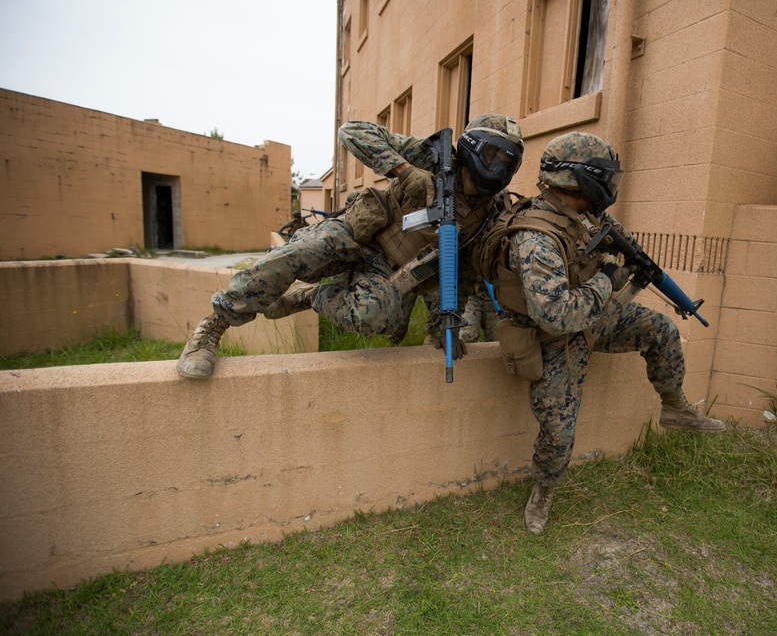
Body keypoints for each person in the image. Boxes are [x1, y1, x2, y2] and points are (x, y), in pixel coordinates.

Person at [474, 132, 726, 535]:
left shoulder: (588, 215)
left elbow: (624, 245)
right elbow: (556, 317)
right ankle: (543, 491)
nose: (612, 187)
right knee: (559, 431)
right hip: (547, 336)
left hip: (589, 316)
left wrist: (635, 269)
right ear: (580, 180)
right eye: (607, 179)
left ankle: (675, 408)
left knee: (659, 329)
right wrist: (610, 278)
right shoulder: (536, 238)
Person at [176, 114, 524, 379]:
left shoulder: (492, 213)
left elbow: (459, 270)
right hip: (359, 234)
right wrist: (404, 171)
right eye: (494, 155)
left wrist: (441, 328)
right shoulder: (433, 159)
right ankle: (213, 327)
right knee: (297, 253)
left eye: (509, 161)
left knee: (375, 318)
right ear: (471, 148)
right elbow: (353, 132)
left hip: (393, 270)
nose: (499, 167)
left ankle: (310, 296)